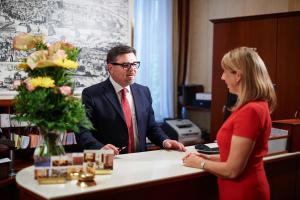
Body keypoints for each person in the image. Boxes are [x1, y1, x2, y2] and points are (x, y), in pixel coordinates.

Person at [182, 47, 276, 200]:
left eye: (225, 71)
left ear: (238, 75)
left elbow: (233, 170)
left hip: (243, 191)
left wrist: (200, 164)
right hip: (240, 188)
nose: (222, 77)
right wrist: (208, 159)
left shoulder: (250, 111)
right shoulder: (257, 105)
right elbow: (238, 159)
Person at [77, 45, 186, 154]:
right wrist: (100, 148)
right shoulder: (91, 94)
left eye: (134, 64)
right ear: (110, 68)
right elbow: (82, 131)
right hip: (110, 161)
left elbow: (151, 127)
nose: (132, 69)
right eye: (126, 65)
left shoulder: (144, 92)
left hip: (140, 160)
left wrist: (165, 140)